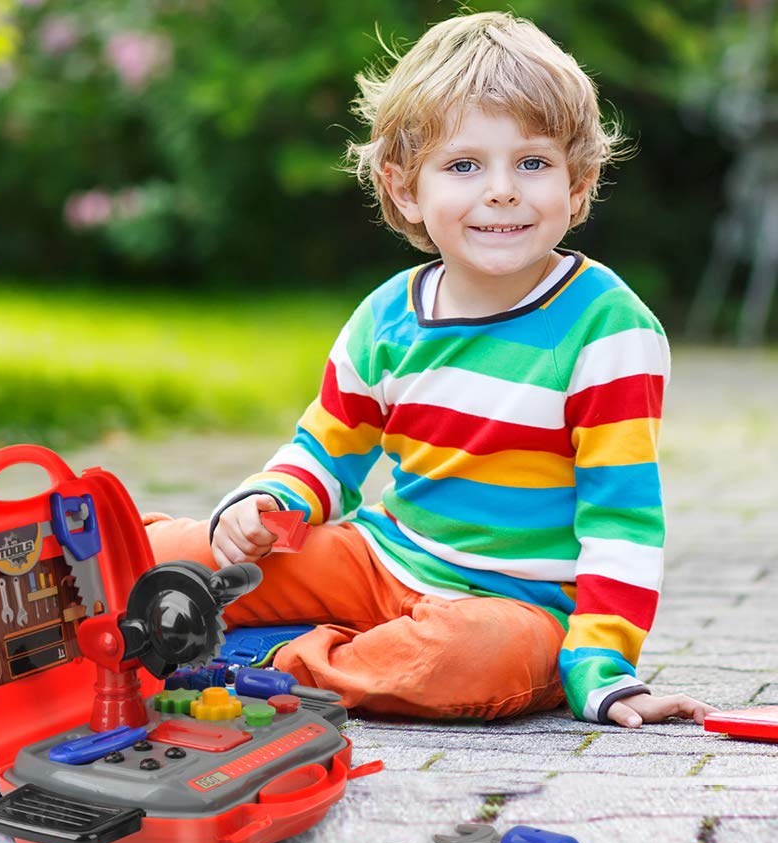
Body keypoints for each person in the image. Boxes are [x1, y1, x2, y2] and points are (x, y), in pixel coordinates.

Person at [144, 11, 716, 729]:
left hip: (518, 610)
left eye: (533, 163)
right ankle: (78, 600)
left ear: (578, 184)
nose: (503, 190)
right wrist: (263, 505)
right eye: (464, 165)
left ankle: (268, 667)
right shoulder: (390, 316)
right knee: (177, 551)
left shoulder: (608, 330)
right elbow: (325, 453)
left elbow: (623, 518)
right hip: (384, 559)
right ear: (407, 187)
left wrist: (603, 668)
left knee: (475, 658)